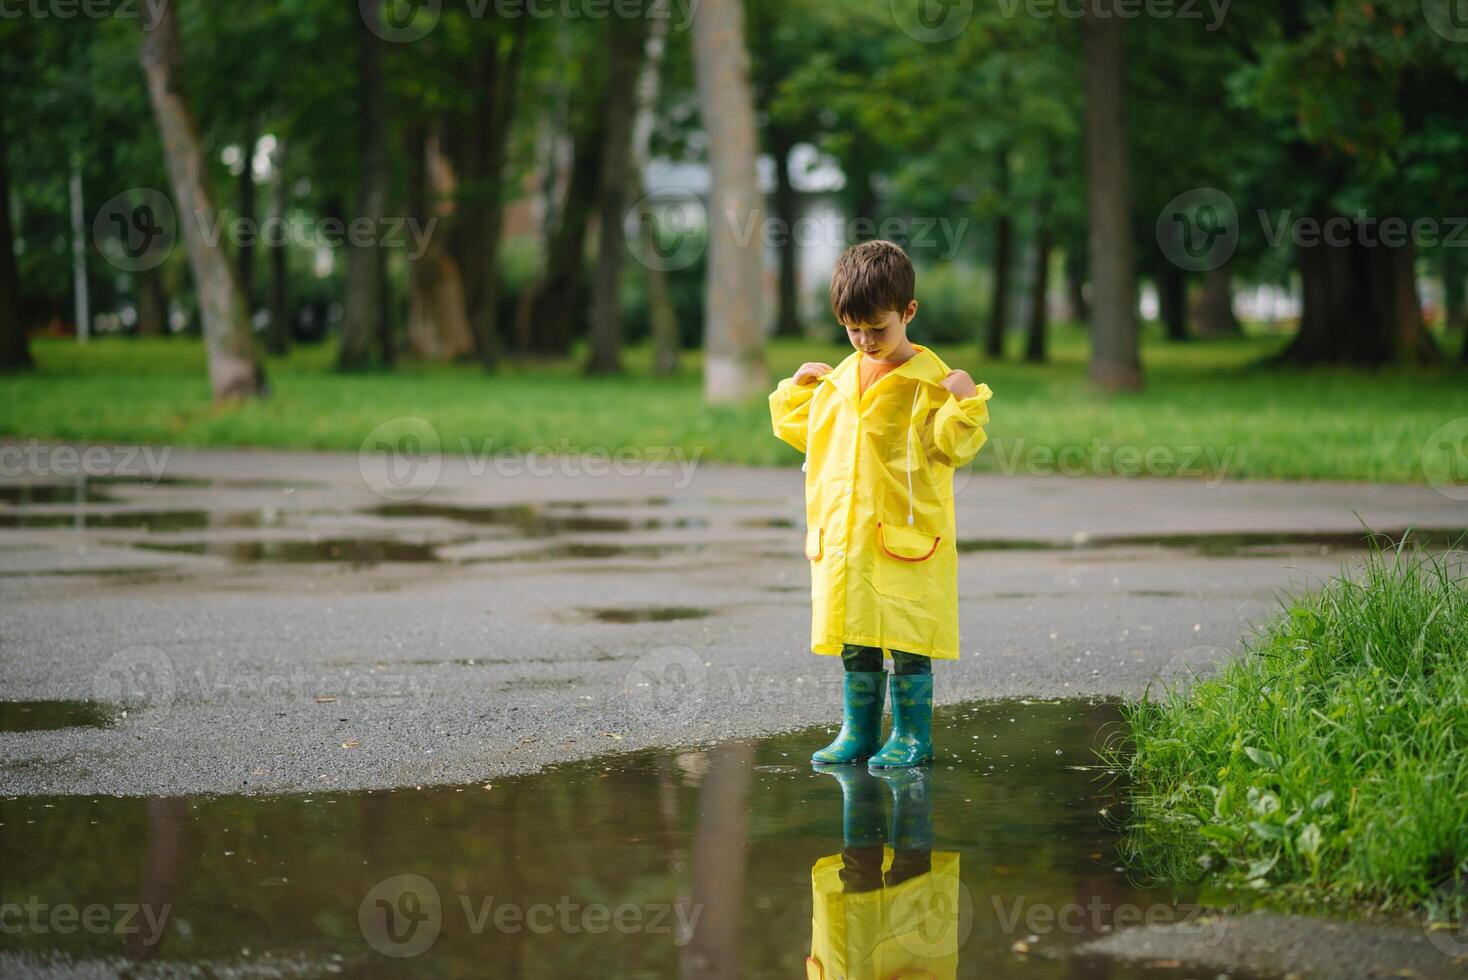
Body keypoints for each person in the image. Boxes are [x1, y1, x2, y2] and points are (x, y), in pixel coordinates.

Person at [768, 240, 993, 767]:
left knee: (908, 638)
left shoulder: (929, 383)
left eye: (878, 328)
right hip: (847, 539)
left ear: (908, 312)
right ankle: (859, 730)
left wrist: (964, 402)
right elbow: (807, 434)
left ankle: (914, 735)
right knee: (857, 637)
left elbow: (951, 446)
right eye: (853, 329)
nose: (865, 341)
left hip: (904, 537)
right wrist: (798, 391)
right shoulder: (839, 382)